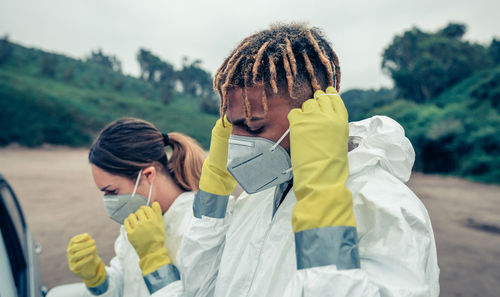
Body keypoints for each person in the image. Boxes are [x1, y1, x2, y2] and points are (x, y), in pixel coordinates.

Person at [142, 23, 440, 297]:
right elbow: (201, 289)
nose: (239, 142)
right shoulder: (257, 199)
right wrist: (213, 198)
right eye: (232, 127)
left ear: (313, 113)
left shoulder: (387, 208)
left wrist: (323, 203)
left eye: (255, 127)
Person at [66, 118, 205, 297]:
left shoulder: (200, 226)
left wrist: (154, 261)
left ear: (148, 175)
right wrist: (98, 281)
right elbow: (127, 281)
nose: (108, 201)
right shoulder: (139, 219)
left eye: (112, 191)